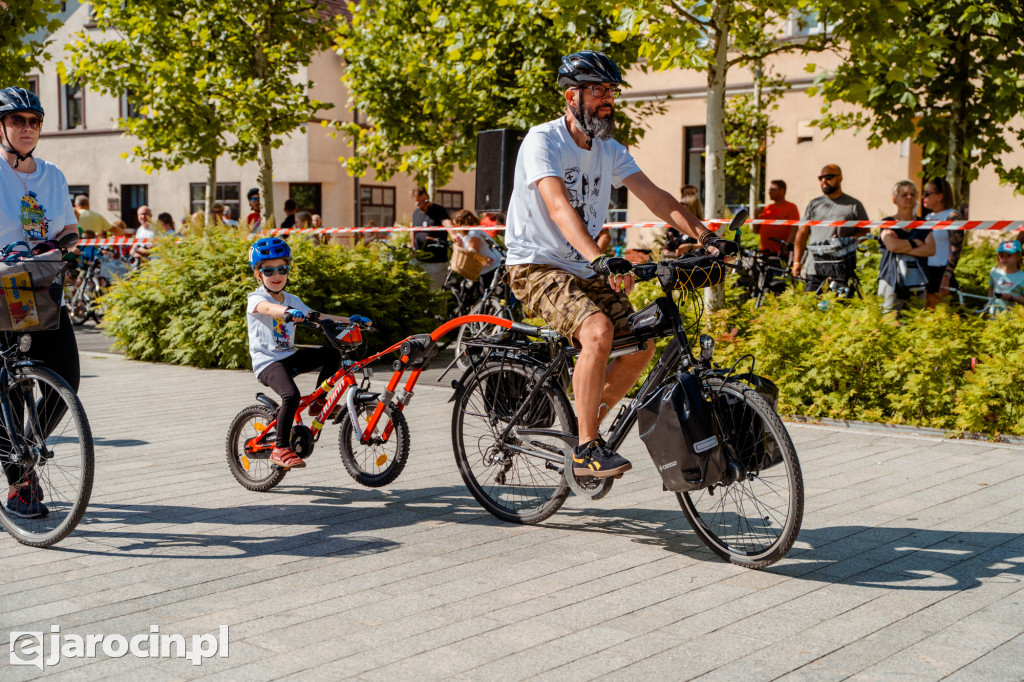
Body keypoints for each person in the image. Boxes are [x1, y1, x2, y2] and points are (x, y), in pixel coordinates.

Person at [504, 51, 735, 479]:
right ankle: (586, 449)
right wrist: (600, 258)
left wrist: (706, 236)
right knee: (598, 331)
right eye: (598, 91)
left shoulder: (609, 148)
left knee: (642, 343)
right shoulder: (544, 140)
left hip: (586, 267)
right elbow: (557, 205)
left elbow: (657, 197)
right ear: (571, 96)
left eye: (611, 91)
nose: (607, 100)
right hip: (536, 264)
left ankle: (583, 424)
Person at [0, 87, 82, 518]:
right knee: (7, 381)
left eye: (34, 121)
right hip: (3, 287)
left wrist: (63, 244)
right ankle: (19, 483)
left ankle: (26, 444)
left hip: (42, 282)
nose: (27, 128)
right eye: (17, 120)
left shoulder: (52, 174)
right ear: (1, 127)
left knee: (66, 373)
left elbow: (69, 225)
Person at [246, 237, 366, 470]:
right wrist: (287, 312)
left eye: (282, 269)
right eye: (269, 270)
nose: (276, 275)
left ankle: (319, 403)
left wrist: (351, 321)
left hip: (289, 356)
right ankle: (280, 449)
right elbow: (269, 309)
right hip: (268, 362)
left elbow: (319, 317)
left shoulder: (293, 299)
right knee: (290, 395)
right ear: (258, 274)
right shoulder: (256, 298)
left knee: (331, 354)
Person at [792, 164, 870, 292]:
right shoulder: (814, 204)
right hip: (815, 267)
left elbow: (865, 231)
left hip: (841, 268)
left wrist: (848, 242)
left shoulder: (854, 205)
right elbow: (802, 233)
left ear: (840, 178)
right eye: (821, 178)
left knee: (839, 308)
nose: (824, 181)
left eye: (828, 177)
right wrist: (796, 262)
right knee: (811, 308)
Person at [877, 180, 935, 312]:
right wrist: (916, 243)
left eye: (912, 194)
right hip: (891, 281)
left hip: (918, 282)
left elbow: (931, 249)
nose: (909, 197)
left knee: (914, 324)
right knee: (889, 323)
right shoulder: (887, 222)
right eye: (904, 195)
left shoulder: (923, 223)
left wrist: (903, 246)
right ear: (894, 200)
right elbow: (892, 246)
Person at [922, 177, 964, 309]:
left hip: (941, 272)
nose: (923, 196)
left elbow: (956, 249)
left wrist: (946, 276)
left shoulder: (952, 216)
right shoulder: (928, 217)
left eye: (927, 193)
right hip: (925, 270)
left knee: (940, 319)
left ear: (940, 196)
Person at [409, 187, 452, 288]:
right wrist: (412, 246)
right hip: (420, 261)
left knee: (436, 293)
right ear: (413, 201)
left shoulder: (438, 210)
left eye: (425, 201)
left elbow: (446, 222)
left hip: (437, 261)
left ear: (428, 196)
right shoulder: (416, 213)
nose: (423, 205)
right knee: (421, 292)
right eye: (419, 203)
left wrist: (453, 234)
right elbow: (413, 230)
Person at [451, 209, 501, 291]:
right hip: (484, 267)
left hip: (493, 265)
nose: (454, 226)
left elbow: (472, 253)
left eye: (456, 223)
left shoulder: (473, 233)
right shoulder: (462, 234)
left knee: (486, 292)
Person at [755, 179, 799, 257]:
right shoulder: (767, 208)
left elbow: (795, 229)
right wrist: (755, 217)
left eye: (773, 190)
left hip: (780, 254)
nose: (769, 192)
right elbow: (756, 231)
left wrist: (786, 247)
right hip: (765, 252)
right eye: (769, 190)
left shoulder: (791, 207)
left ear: (782, 191)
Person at [987, 240, 1024, 315]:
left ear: (1018, 256)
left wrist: (1012, 297)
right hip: (994, 315)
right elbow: (991, 287)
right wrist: (989, 302)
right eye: (1001, 255)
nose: (1004, 258)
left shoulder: (1022, 277)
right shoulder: (994, 272)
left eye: (1009, 255)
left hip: (1014, 318)